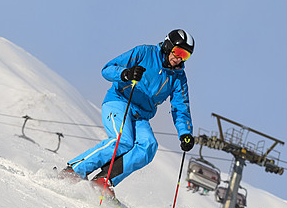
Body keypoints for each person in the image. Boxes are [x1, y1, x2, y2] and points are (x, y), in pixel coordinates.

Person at [64, 29, 196, 197]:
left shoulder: (178, 77)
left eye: (185, 56)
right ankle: (74, 170)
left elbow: (180, 106)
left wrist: (185, 133)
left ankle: (103, 181)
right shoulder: (144, 53)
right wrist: (125, 74)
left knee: (148, 146)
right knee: (122, 141)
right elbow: (107, 69)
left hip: (140, 115)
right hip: (119, 102)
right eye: (178, 52)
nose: (179, 59)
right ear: (168, 45)